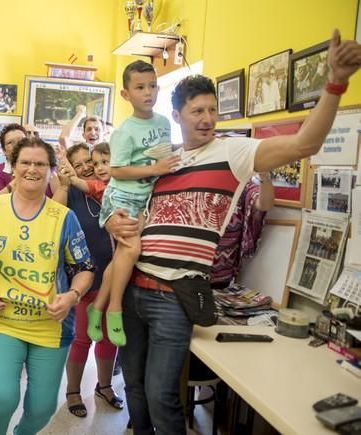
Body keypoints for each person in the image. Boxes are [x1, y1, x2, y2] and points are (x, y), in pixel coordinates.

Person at [105, 30, 360, 435]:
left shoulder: (233, 152)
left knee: (160, 395)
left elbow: (305, 145)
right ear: (177, 116)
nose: (206, 119)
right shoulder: (164, 158)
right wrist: (112, 220)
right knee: (132, 385)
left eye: (211, 110)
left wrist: (335, 83)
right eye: (196, 111)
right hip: (133, 288)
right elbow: (126, 198)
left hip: (175, 296)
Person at [0, 137, 94, 435]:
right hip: (1, 320)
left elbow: (85, 269)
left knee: (43, 408)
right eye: (25, 162)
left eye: (40, 164)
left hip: (51, 326)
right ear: (13, 167)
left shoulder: (64, 217)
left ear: (51, 171)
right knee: (1, 397)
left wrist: (72, 296)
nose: (32, 169)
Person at [86, 60, 179, 347]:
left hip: (145, 199)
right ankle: (114, 308)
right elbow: (117, 170)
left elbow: (161, 155)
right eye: (140, 87)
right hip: (122, 197)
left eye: (152, 86)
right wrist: (155, 169)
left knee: (124, 256)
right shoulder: (124, 131)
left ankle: (96, 307)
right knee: (132, 248)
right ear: (126, 94)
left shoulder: (164, 123)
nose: (147, 92)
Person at [54, 143, 121, 418]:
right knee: (82, 338)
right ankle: (72, 391)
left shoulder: (108, 187)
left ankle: (104, 386)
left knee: (109, 337)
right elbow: (54, 217)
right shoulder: (70, 191)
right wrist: (64, 183)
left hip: (114, 276)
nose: (85, 166)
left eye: (88, 161)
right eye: (78, 162)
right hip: (82, 278)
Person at [210, 172, 275, 288]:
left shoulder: (242, 184)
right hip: (183, 272)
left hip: (220, 275)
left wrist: (265, 177)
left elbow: (264, 204)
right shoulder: (192, 178)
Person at [0, 123, 26, 195]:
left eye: (22, 140)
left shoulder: (41, 167)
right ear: (4, 150)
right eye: (10, 142)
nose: (17, 145)